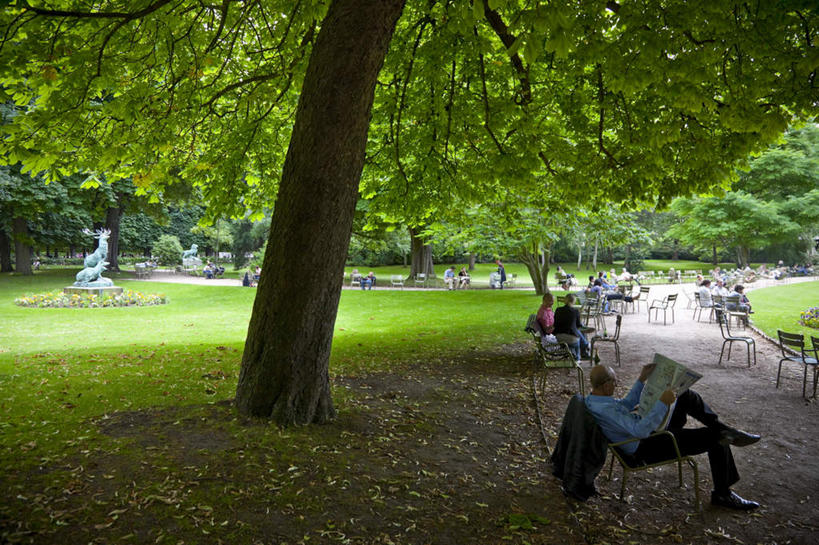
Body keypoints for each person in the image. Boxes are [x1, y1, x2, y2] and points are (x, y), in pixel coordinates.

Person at [586, 364, 761, 510]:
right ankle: (723, 494)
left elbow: (625, 405)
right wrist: (662, 402)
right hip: (644, 447)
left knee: (684, 395)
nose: (617, 385)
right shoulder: (606, 411)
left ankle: (724, 428)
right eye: (615, 382)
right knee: (716, 437)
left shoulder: (596, 400)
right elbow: (640, 430)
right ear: (606, 385)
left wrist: (641, 379)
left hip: (643, 435)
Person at [553, 293, 590, 360]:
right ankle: (584, 348)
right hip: (568, 335)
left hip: (557, 333)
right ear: (574, 301)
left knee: (578, 331)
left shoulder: (558, 310)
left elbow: (555, 323)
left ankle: (585, 347)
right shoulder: (575, 311)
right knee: (580, 330)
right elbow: (578, 325)